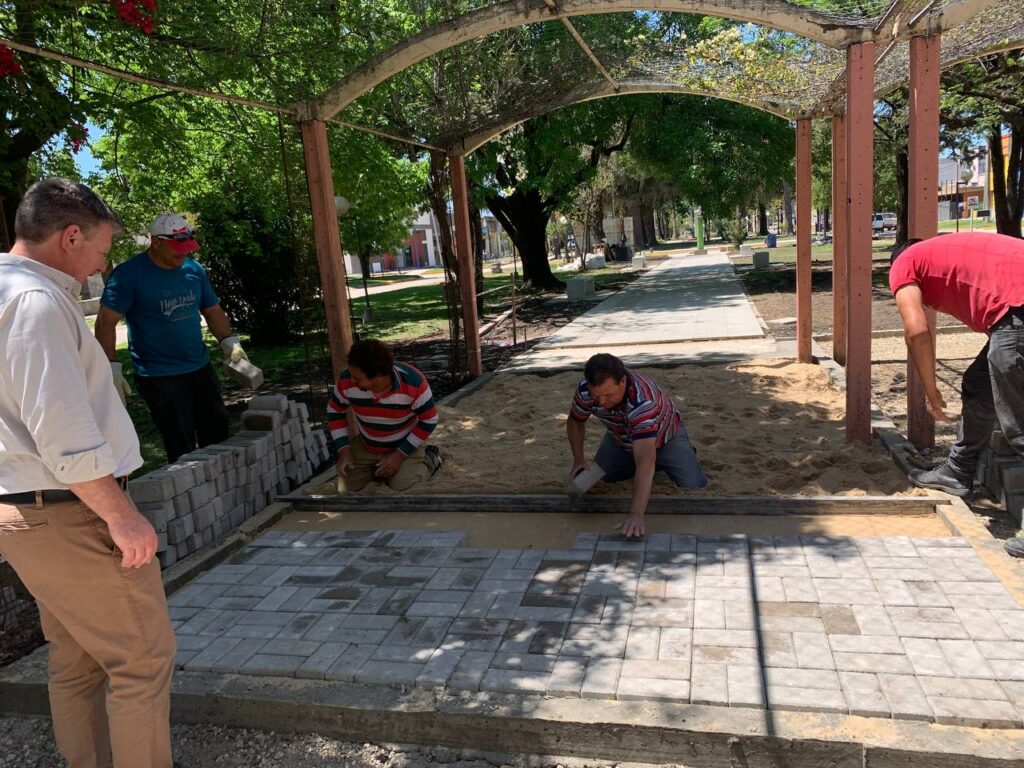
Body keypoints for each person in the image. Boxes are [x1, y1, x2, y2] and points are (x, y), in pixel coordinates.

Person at [0, 179, 175, 766]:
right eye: (101, 249)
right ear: (70, 236)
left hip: (32, 510)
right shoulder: (38, 302)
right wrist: (122, 516)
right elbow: (64, 433)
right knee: (141, 661)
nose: (104, 263)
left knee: (75, 661)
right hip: (71, 512)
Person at [889, 232, 1024, 558]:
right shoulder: (951, 250)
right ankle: (958, 471)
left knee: (1018, 426)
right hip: (1012, 313)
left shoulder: (904, 264)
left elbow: (917, 330)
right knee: (979, 384)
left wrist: (930, 389)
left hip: (1017, 313)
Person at [95, 213, 253, 463]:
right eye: (178, 249)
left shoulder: (193, 270)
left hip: (199, 367)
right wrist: (111, 369)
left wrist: (229, 344)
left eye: (187, 248)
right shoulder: (129, 275)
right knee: (182, 445)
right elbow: (106, 322)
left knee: (218, 434)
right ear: (156, 241)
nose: (184, 254)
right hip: (159, 376)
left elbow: (211, 310)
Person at [566, 353, 707, 538]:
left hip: (665, 440)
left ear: (622, 381)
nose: (601, 402)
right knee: (580, 487)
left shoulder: (642, 402)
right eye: (596, 395)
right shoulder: (585, 391)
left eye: (608, 395)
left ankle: (678, 456)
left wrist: (636, 514)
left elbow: (646, 460)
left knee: (693, 485)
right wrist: (579, 461)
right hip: (620, 440)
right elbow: (576, 421)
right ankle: (632, 466)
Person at [327, 339, 442, 491]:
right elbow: (335, 411)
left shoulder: (413, 381)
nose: (351, 380)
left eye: (357, 378)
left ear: (378, 376)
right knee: (346, 489)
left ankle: (430, 458)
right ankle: (380, 470)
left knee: (403, 486)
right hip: (366, 444)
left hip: (403, 445)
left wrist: (399, 455)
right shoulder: (346, 380)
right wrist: (344, 451)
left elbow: (430, 419)